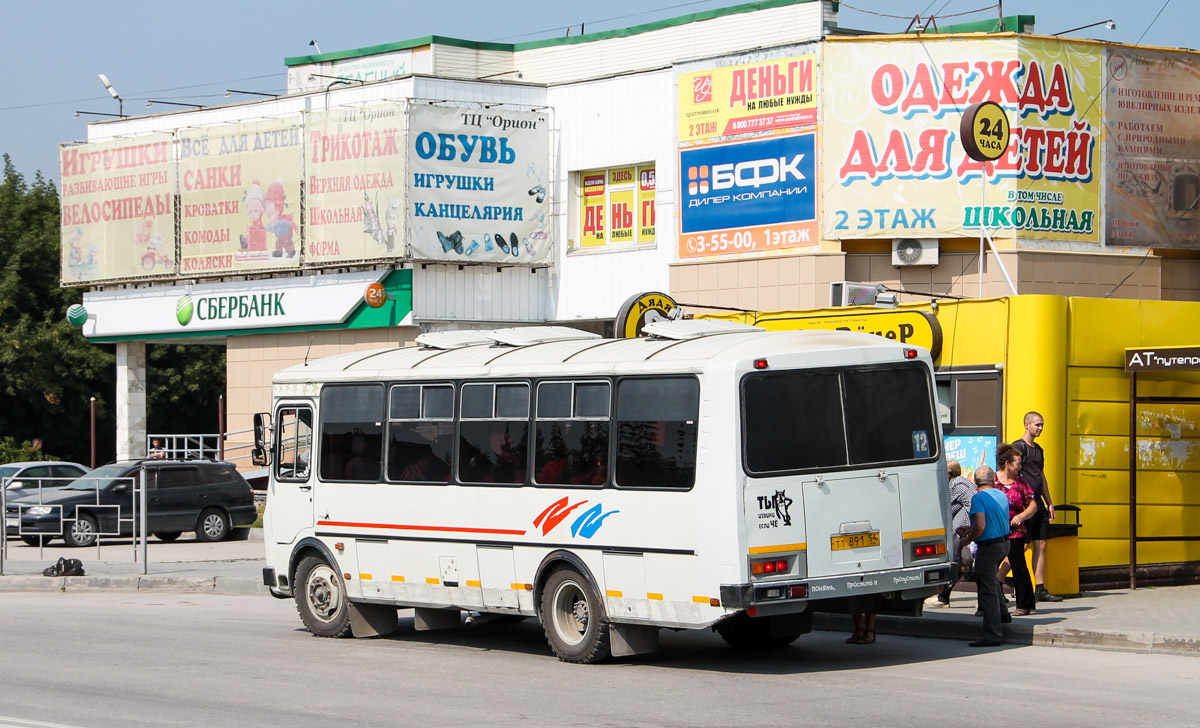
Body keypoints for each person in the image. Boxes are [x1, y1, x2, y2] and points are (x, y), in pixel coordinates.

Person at [1013, 411, 1064, 603]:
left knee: (1041, 544)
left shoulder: (1039, 449)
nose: (1040, 428)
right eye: (1037, 424)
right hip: (1025, 506)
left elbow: (1040, 477)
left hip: (1039, 504)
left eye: (1042, 425)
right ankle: (998, 581)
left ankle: (1040, 588)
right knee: (1021, 546)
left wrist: (1049, 502)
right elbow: (1012, 473)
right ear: (1026, 425)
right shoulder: (1018, 447)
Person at [963, 465, 1012, 647]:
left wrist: (967, 539)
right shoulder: (1001, 495)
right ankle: (1004, 614)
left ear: (975, 482)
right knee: (992, 579)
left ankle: (993, 633)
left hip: (989, 547)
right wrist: (971, 528)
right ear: (993, 480)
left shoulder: (978, 498)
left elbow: (981, 526)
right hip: (1004, 543)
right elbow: (991, 521)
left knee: (987, 588)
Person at [996, 442, 1040, 616]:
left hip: (1015, 532)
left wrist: (1022, 516)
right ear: (1007, 463)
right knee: (989, 567)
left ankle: (1025, 604)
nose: (1020, 467)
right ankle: (987, 606)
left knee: (1019, 566)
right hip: (995, 530)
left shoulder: (1021, 483)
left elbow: (1033, 505)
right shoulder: (992, 480)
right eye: (1017, 463)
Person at [930, 458, 977, 607]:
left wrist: (970, 525)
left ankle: (943, 597)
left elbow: (972, 502)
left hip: (962, 530)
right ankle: (943, 596)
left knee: (957, 563)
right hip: (962, 529)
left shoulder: (957, 484)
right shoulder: (960, 482)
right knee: (961, 564)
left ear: (949, 473)